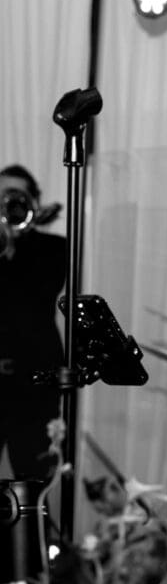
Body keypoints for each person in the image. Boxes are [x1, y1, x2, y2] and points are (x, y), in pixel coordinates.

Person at [0, 165, 65, 480]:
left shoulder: (54, 250)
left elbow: (39, 296)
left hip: (34, 388)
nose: (6, 205)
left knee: (35, 479)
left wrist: (20, 241)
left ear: (33, 202)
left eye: (15, 198)